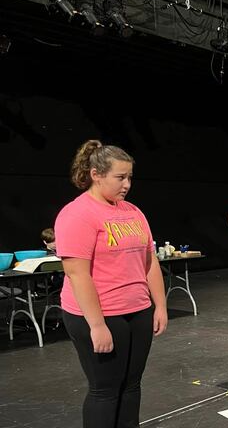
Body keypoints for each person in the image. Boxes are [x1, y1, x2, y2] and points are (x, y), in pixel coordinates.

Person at [55, 140, 167, 428]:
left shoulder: (133, 212)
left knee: (132, 386)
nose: (127, 184)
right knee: (105, 391)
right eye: (120, 177)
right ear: (96, 174)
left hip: (137, 311)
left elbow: (149, 260)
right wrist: (97, 325)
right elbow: (77, 274)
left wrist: (160, 306)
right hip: (100, 314)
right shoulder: (77, 213)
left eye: (129, 177)